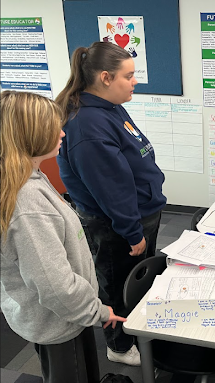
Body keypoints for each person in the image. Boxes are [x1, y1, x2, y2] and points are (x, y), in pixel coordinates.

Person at [0, 91, 126, 382]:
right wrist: (98, 311)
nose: (62, 133)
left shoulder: (28, 177)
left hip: (60, 315)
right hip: (58, 322)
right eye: (52, 128)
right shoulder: (28, 203)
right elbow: (55, 286)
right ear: (31, 135)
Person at [56, 42, 167, 366]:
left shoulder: (110, 106)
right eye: (128, 76)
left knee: (138, 279)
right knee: (118, 284)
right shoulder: (87, 126)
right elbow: (111, 189)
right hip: (116, 224)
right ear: (105, 77)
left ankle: (136, 327)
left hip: (139, 212)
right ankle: (118, 346)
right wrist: (132, 232)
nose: (135, 82)